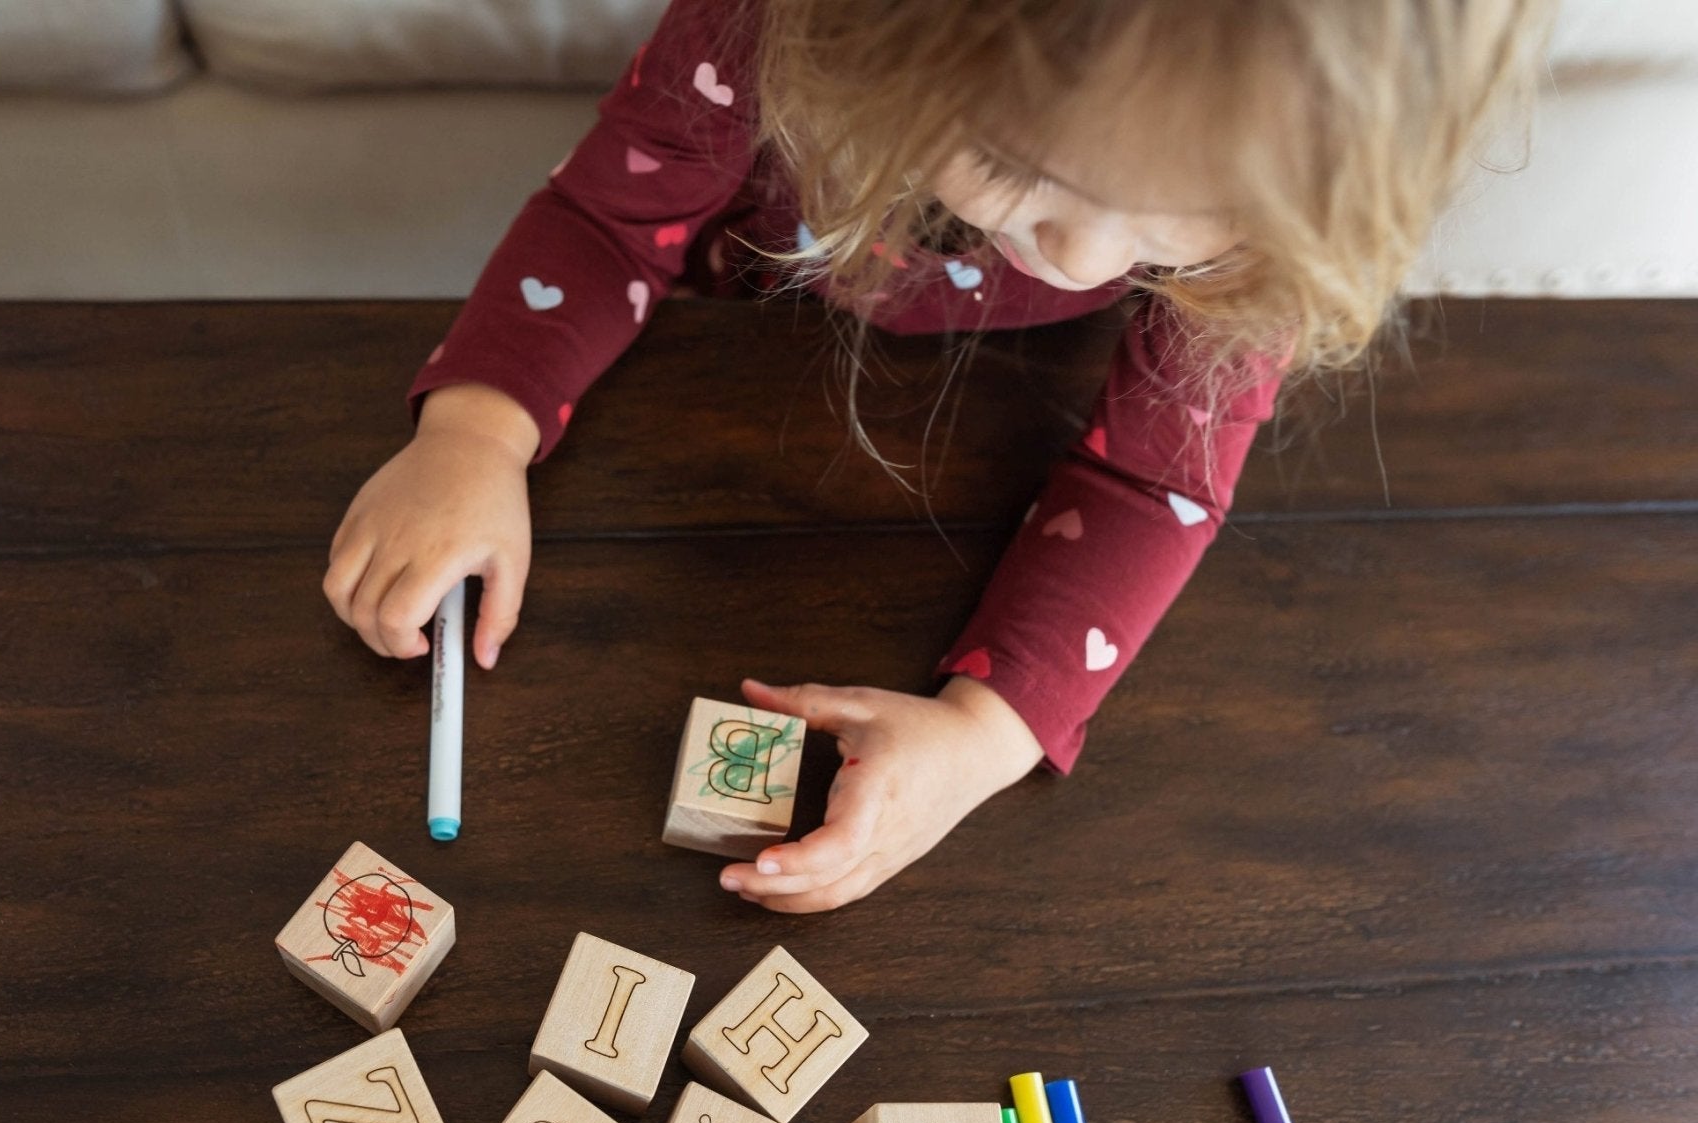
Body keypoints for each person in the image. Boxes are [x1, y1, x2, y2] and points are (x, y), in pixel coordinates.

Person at [324, 0, 1552, 911]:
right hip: (731, 313)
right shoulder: (760, 26)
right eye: (1020, 172)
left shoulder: (1283, 176)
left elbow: (1158, 480)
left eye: (1183, 231)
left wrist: (983, 735)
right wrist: (476, 429)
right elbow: (606, 222)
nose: (1082, 259)